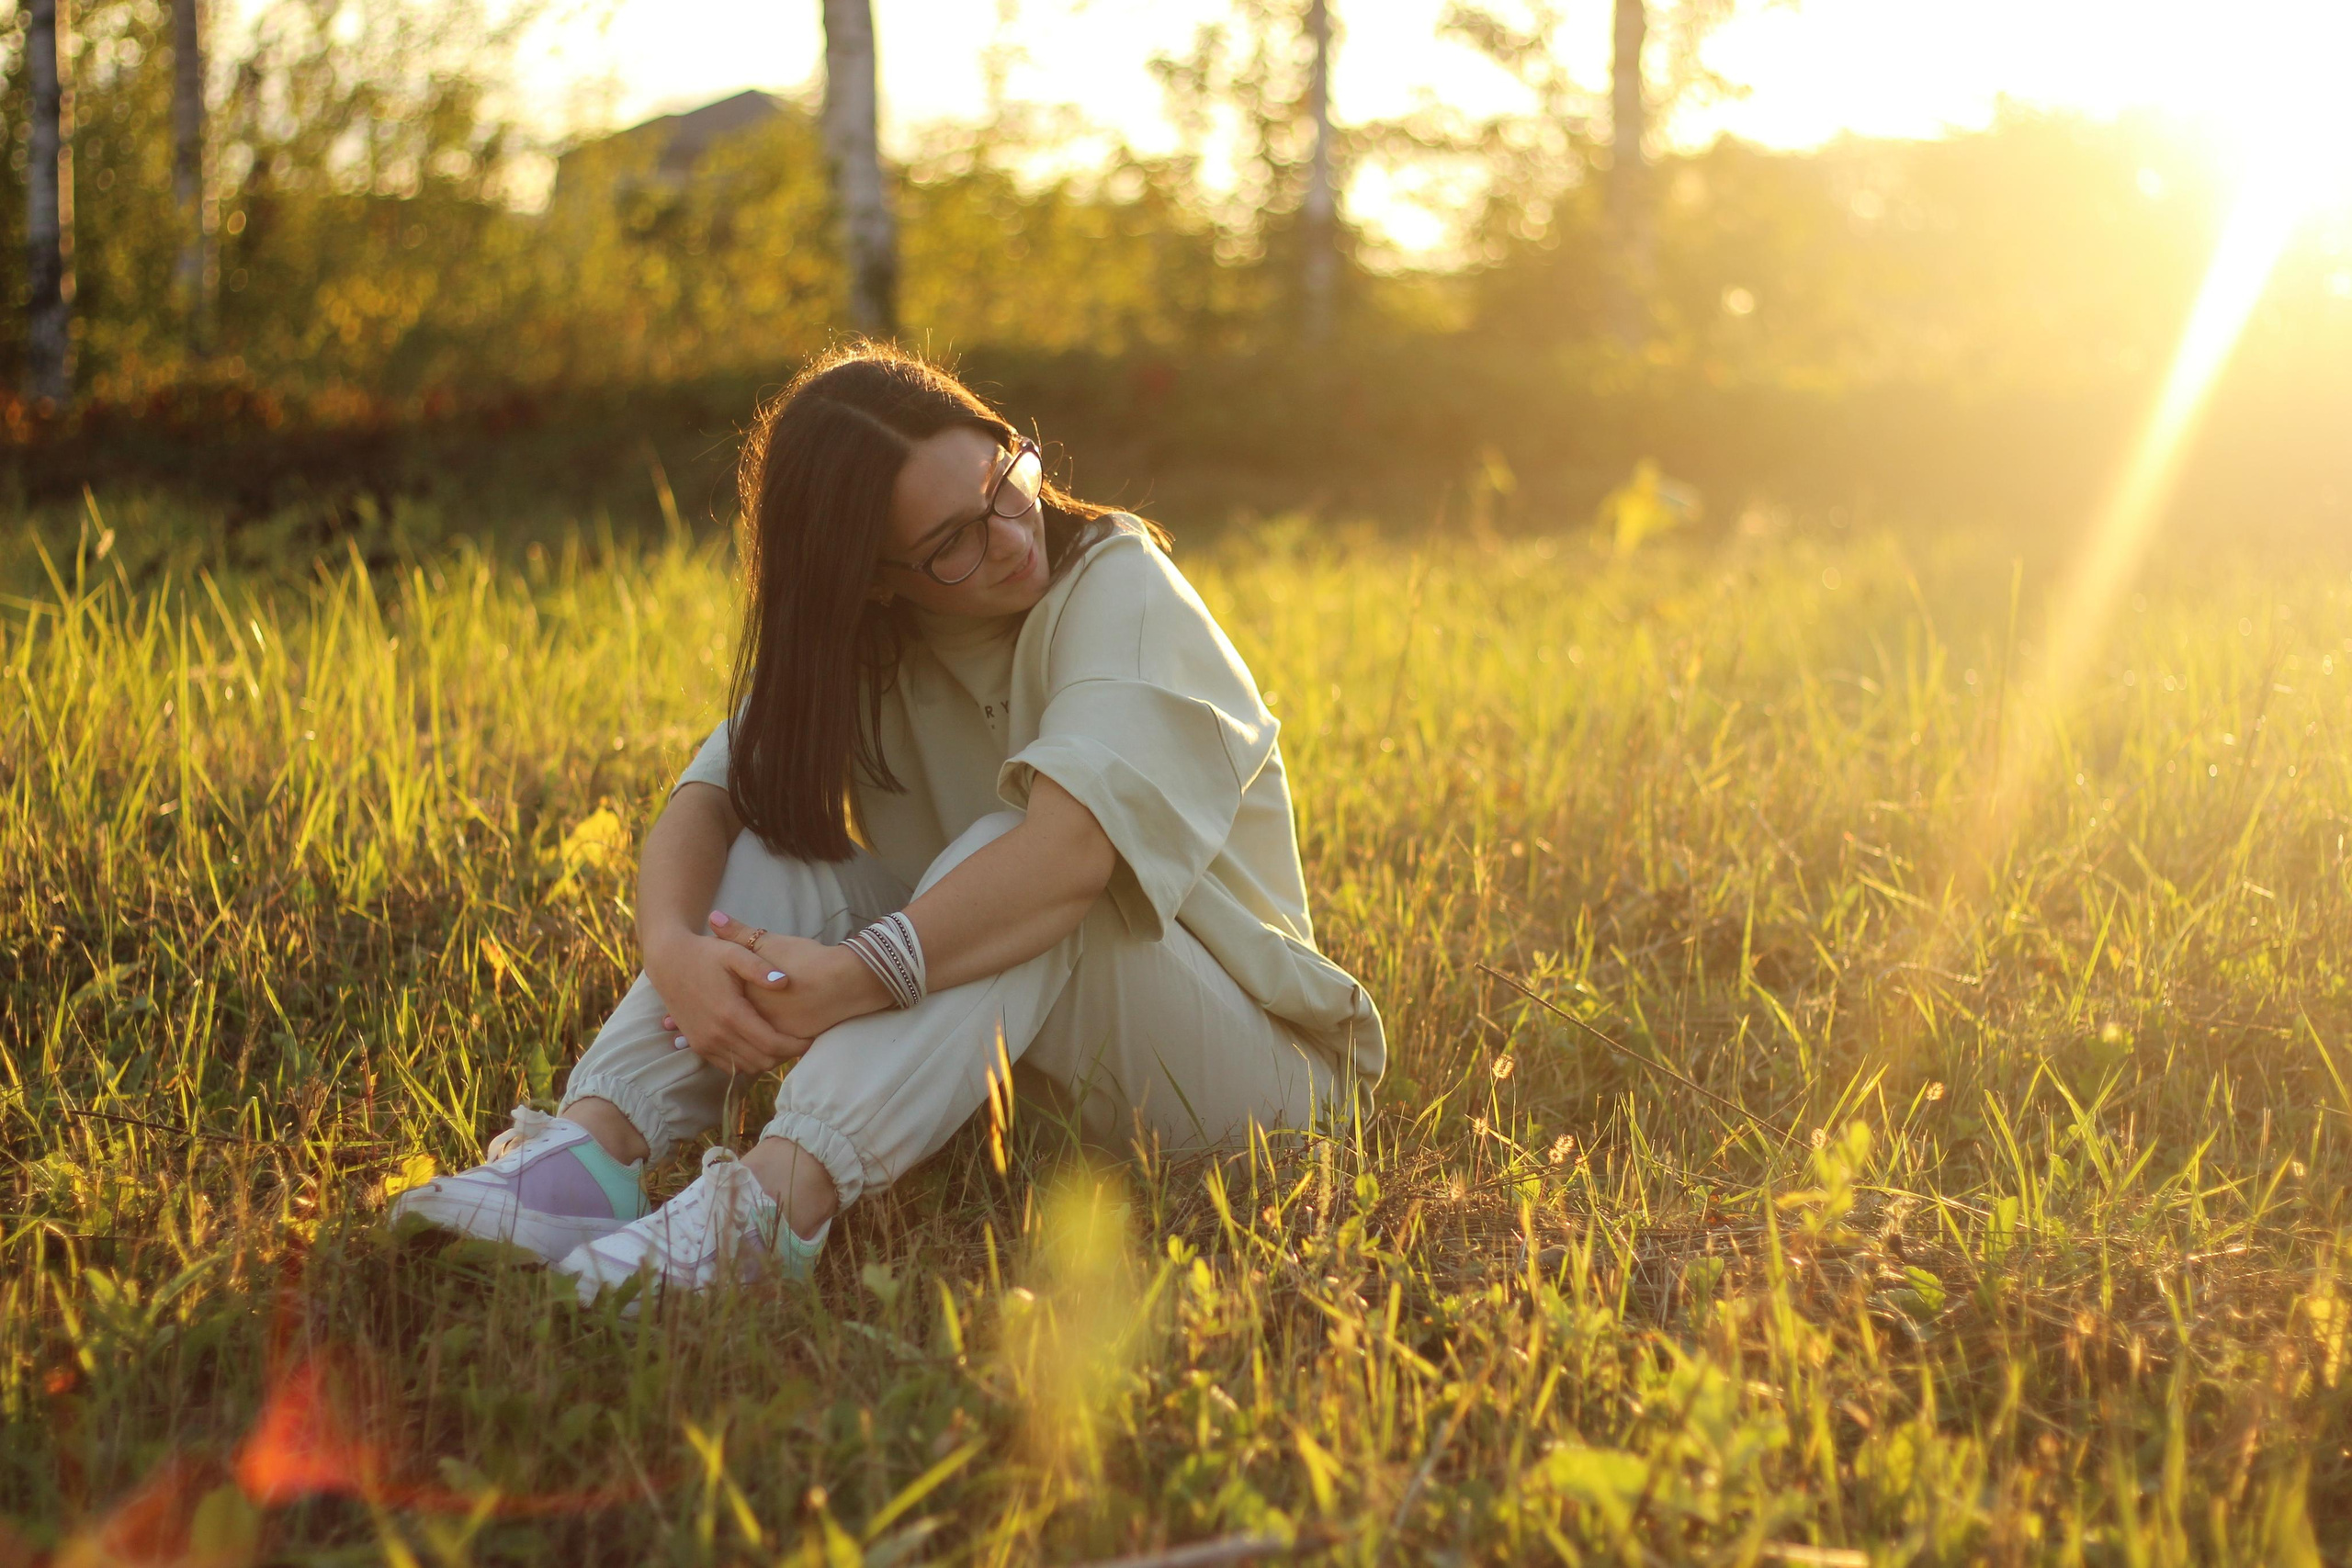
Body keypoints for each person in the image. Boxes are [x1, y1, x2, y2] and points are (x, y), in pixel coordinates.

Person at [392, 343, 1385, 1301]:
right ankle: (591, 1157)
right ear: (869, 578)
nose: (1008, 533)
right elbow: (704, 804)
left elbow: (1067, 860)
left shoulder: (1119, 587)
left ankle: (764, 1213)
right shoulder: (870, 647)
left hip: (1259, 1103)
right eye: (952, 539)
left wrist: (856, 977)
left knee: (1026, 861)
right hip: (1011, 1084)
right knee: (784, 849)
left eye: (1008, 482)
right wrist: (673, 951)